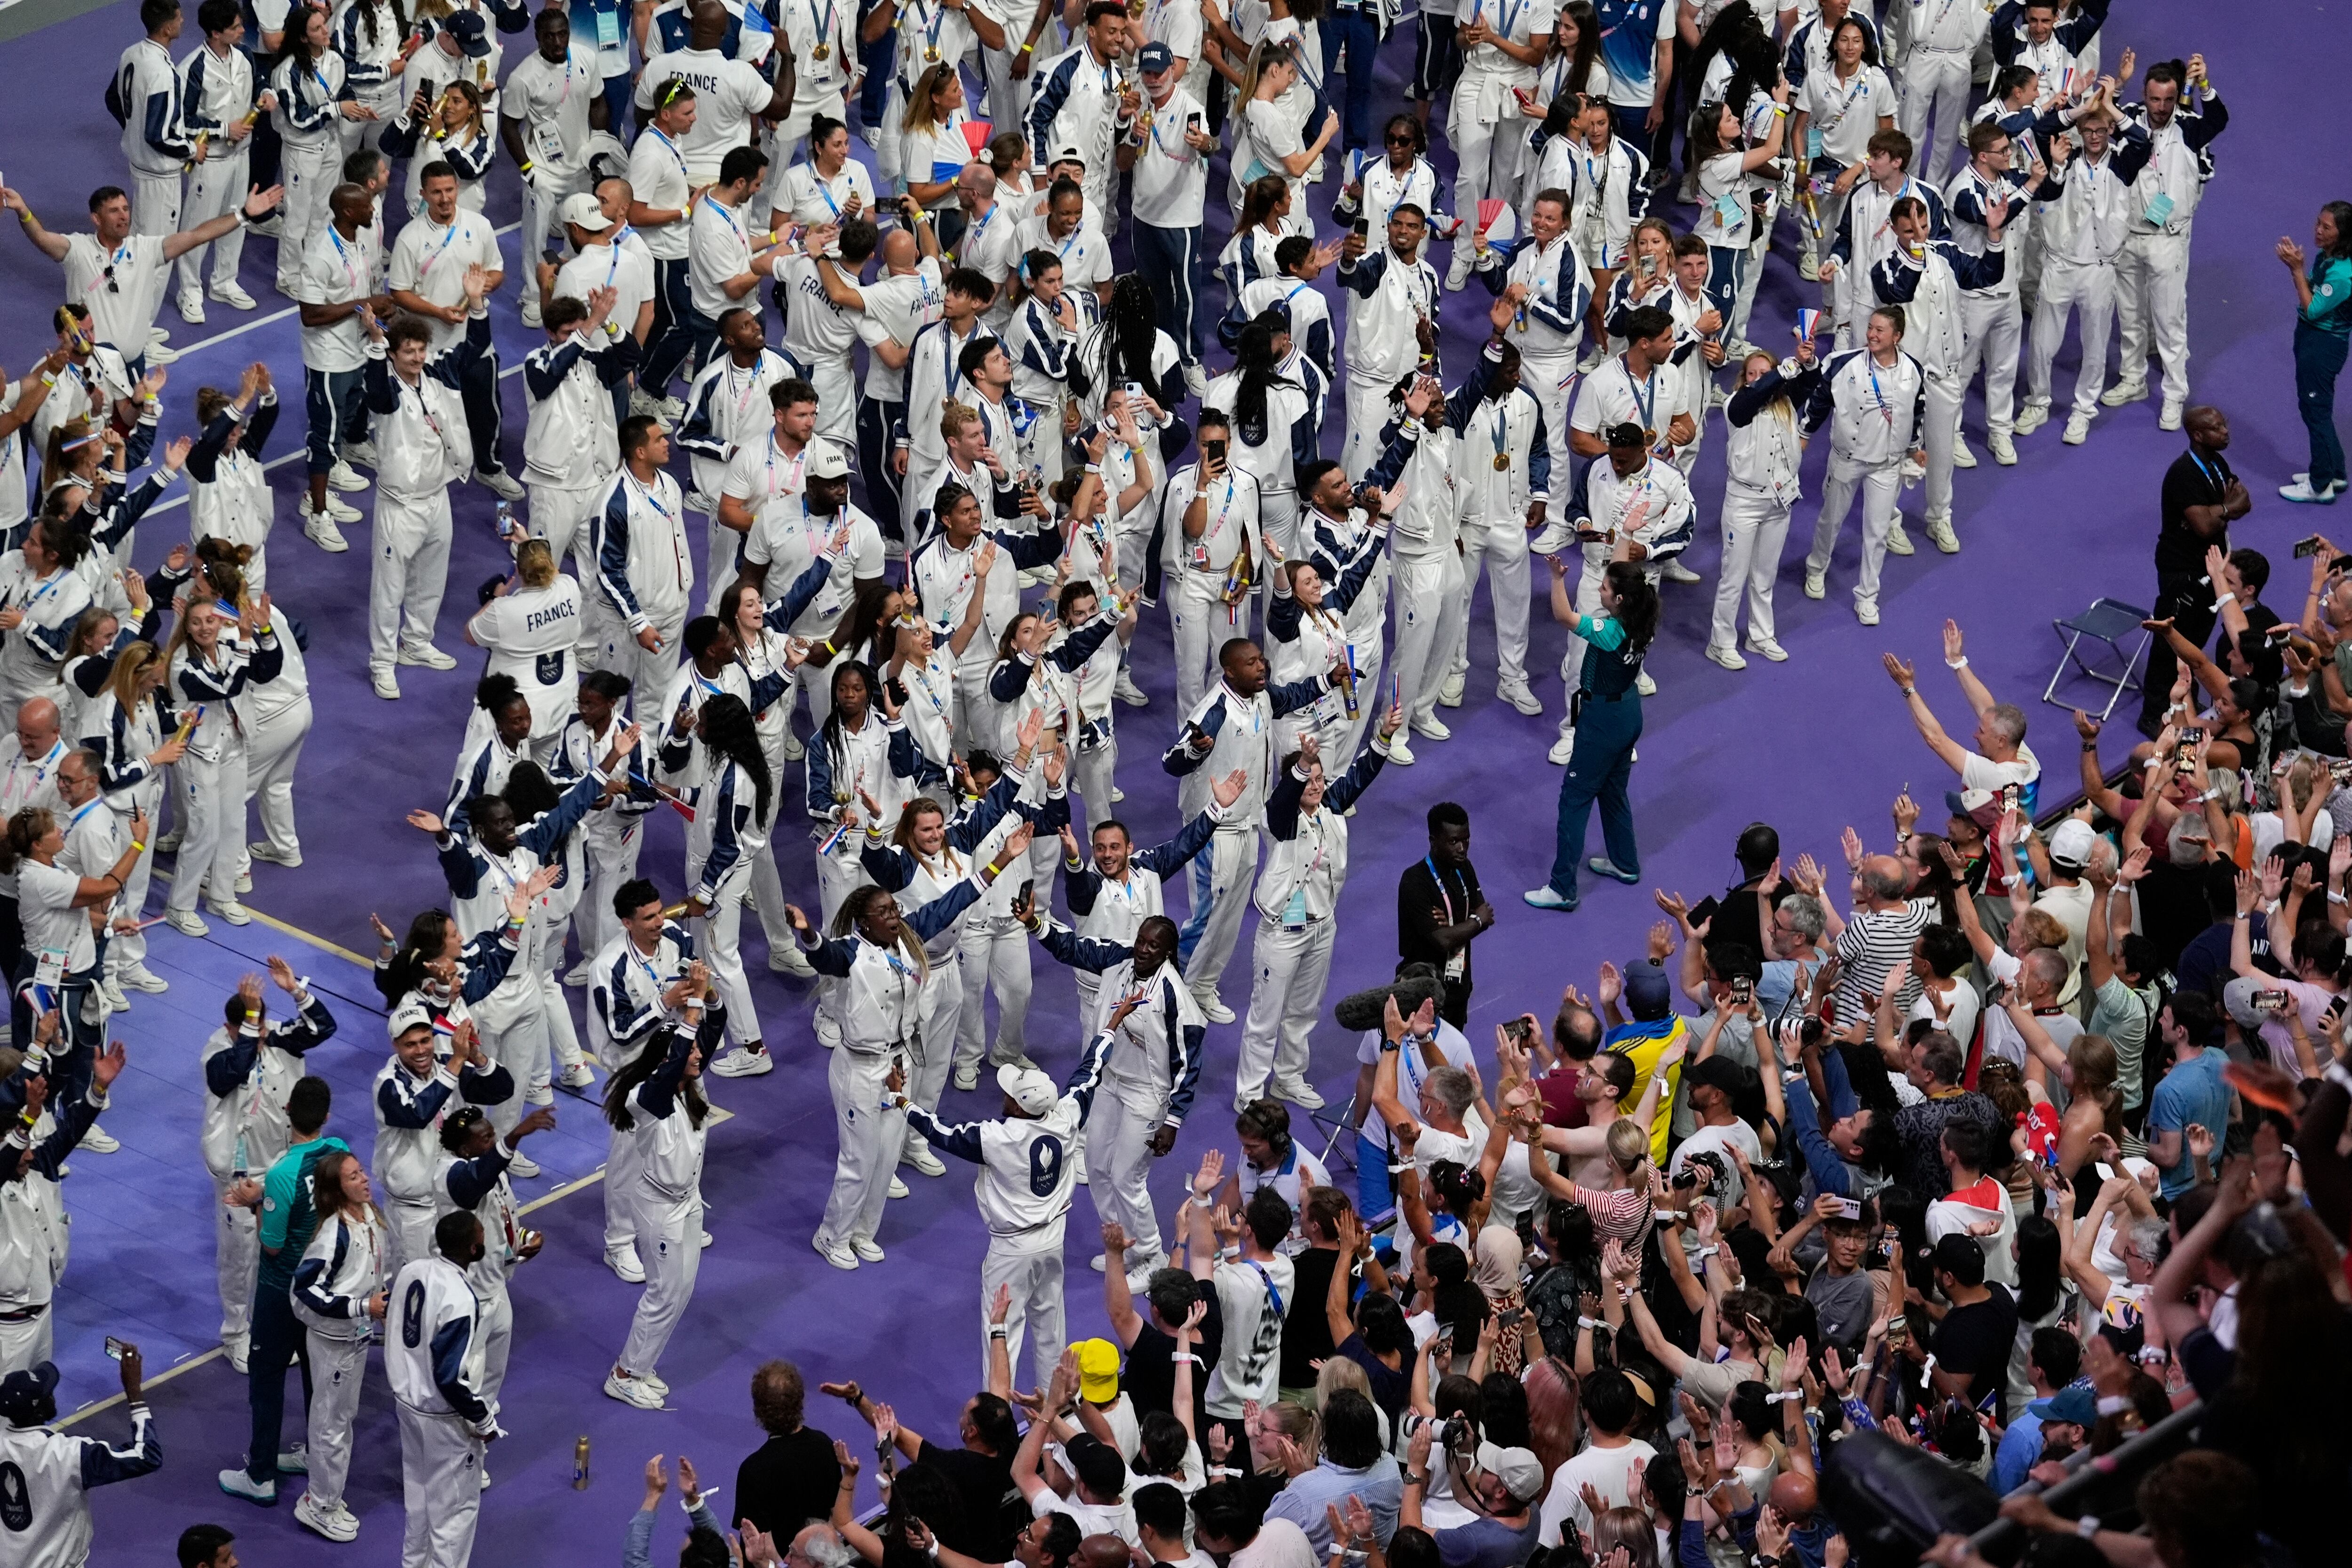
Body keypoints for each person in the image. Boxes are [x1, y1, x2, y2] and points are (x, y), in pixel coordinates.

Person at [784, 868, 1006, 1271]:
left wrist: (998, 865)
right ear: (864, 921)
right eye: (884, 912)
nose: (894, 916)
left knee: (886, 1157)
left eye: (895, 909)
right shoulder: (852, 953)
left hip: (898, 1065)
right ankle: (831, 1235)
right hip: (861, 1068)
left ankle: (863, 1233)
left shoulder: (906, 939)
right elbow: (825, 956)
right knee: (859, 1160)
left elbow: (947, 905)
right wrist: (808, 933)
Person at [901, 1008, 1120, 1389]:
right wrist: (1112, 1025)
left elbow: (941, 1133)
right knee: (1051, 1327)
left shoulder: (997, 1139)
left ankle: (997, 1419)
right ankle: (1058, 1410)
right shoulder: (1066, 1118)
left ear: (1019, 1106)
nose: (1003, 1095)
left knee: (1000, 1333)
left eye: (1009, 1093)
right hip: (1054, 1240)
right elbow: (1090, 1073)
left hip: (1012, 1250)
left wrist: (902, 1102)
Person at [1237, 710, 1400, 1109]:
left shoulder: (1331, 807)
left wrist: (1382, 736)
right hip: (1282, 934)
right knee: (1265, 1018)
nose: (1316, 785)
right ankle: (1250, 1096)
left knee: (1304, 1011)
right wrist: (1303, 764)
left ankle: (1288, 1078)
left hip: (1322, 927)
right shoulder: (1279, 819)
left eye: (1320, 778)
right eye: (1308, 778)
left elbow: (1361, 776)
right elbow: (1282, 801)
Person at [200, 956, 337, 1374]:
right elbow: (235, 1070)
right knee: (240, 1261)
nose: (259, 1033)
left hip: (279, 1171)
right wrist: (250, 1023)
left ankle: (273, 1327)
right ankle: (236, 1335)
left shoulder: (279, 1040)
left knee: (280, 1254)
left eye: (261, 1025)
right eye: (249, 1025)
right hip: (239, 1177)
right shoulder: (218, 1052)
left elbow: (324, 1028)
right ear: (231, 1027)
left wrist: (295, 990)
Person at [1, 179, 284, 377]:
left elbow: (199, 235)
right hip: (91, 365)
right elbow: (40, 238)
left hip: (134, 364)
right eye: (114, 211)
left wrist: (244, 214)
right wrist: (23, 210)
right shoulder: (78, 250)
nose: (124, 216)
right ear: (96, 219)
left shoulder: (146, 250)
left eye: (126, 209)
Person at [215, 1074, 343, 1504]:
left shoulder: (283, 1171)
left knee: (267, 1379)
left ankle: (261, 1475)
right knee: (315, 1373)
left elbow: (270, 1245)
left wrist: (257, 1200)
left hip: (280, 1291)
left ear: (288, 1111)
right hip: (323, 1284)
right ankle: (312, 1453)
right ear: (326, 1116)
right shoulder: (340, 1153)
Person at [358, 303, 493, 701]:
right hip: (399, 505)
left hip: (438, 497)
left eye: (421, 350)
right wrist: (376, 343)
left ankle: (416, 643)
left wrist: (479, 306)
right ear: (394, 354)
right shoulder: (385, 389)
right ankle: (382, 662)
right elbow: (378, 393)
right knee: (389, 589)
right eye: (408, 352)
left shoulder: (439, 375)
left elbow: (476, 345)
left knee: (432, 577)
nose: (417, 358)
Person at [2018, 94, 2151, 448]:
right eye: (2087, 129)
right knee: (2042, 342)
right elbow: (2040, 129)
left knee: (2094, 344)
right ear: (2079, 131)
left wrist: (2109, 108)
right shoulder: (2062, 156)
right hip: (2059, 264)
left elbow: (2142, 139)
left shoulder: (2124, 164)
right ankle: (2038, 402)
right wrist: (2079, 113)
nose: (2094, 136)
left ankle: (2084, 409)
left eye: (2100, 129)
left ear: (2109, 129)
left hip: (2100, 268)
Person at [603, 984, 713, 1409]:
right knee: (663, 1292)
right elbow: (667, 1074)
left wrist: (708, 1003)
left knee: (681, 1291)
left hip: (687, 1200)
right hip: (659, 1207)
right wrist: (689, 1015)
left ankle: (642, 1366)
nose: (700, 1057)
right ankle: (624, 1374)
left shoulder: (690, 1087)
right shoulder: (645, 1099)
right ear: (670, 1061)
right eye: (691, 1053)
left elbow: (712, 1032)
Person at [1526, 557, 1658, 913]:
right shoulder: (1643, 617)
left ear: (1619, 600)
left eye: (1605, 588)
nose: (1600, 589)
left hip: (1602, 722)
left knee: (1575, 799)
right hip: (1630, 711)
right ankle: (1625, 863)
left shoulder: (1610, 631)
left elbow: (1564, 618)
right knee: (1613, 791)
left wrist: (1556, 579)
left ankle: (1563, 889)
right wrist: (1627, 530)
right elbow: (1622, 568)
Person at [1800, 305, 1927, 627]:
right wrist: (1804, 434)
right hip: (1847, 459)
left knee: (1877, 532)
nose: (1871, 334)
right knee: (1832, 520)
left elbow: (1916, 411)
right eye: (1871, 328)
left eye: (1880, 330)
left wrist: (1914, 449)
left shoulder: (1913, 370)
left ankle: (1867, 596)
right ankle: (1816, 568)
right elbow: (1820, 400)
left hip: (1887, 464)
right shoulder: (1844, 364)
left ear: (1897, 336)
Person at [388, 1210, 502, 1568]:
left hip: (407, 1404)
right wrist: (483, 1420)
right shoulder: (460, 1298)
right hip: (442, 1418)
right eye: (482, 1235)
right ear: (472, 1248)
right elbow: (450, 1377)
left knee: (419, 1502)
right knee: (454, 1515)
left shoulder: (412, 1271)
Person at [289, 1147, 390, 1543]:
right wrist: (363, 1305)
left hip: (356, 1335)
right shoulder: (335, 1233)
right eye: (353, 1177)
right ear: (336, 1190)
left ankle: (327, 1495)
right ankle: (319, 1505)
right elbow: (305, 1288)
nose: (364, 1179)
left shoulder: (370, 1217)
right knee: (330, 1423)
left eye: (362, 1172)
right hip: (334, 1341)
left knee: (343, 1419)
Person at [1710, 341, 1823, 669]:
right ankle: (1721, 643)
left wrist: (1808, 361)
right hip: (1744, 503)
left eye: (1765, 373)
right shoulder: (1737, 405)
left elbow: (1810, 381)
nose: (1758, 379)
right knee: (1733, 576)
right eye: (1752, 374)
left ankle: (1760, 637)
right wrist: (1779, 373)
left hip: (1779, 502)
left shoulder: (1786, 403)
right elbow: (1754, 397)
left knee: (1765, 576)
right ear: (1744, 380)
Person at [2140, 405, 2253, 734]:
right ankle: (2153, 712)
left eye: (2225, 423)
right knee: (2171, 643)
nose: (2227, 431)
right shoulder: (2183, 474)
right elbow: (2204, 526)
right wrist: (2226, 509)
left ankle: (2186, 696)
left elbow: (2243, 502)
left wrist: (2223, 510)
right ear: (2198, 435)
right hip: (2182, 572)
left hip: (2211, 569)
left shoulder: (2218, 464)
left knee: (2197, 638)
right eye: (2218, 428)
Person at [292, 181, 389, 548]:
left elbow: (358, 295)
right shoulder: (320, 253)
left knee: (345, 424)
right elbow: (310, 314)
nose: (373, 210)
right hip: (328, 359)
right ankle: (317, 513)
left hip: (356, 348)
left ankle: (323, 486)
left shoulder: (360, 241)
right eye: (366, 206)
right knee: (323, 436)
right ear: (348, 212)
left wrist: (378, 315)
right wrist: (364, 304)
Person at [0, 1349, 159, 1565]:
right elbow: (147, 1456)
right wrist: (134, 1393)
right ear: (39, 1410)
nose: (54, 1396)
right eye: (49, 1394)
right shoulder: (68, 1454)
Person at [2278, 200, 2352, 504]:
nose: (2317, 231)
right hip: (2315, 342)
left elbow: (2312, 309)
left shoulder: (2343, 275)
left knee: (2315, 413)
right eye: (2318, 223)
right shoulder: (2329, 257)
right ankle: (2336, 473)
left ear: (2343, 234)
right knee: (2318, 411)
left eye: (2327, 227)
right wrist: (2299, 269)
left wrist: (2296, 269)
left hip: (2322, 346)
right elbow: (2314, 290)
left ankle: (2320, 485)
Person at [1398, 802, 1493, 1030]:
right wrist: (1472, 921)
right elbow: (1443, 941)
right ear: (1433, 841)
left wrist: (1456, 924)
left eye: (1466, 840)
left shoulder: (1465, 868)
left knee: (1452, 1058)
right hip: (1423, 990)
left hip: (1459, 986)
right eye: (1453, 842)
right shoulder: (1414, 881)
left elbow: (1486, 915)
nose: (1462, 848)